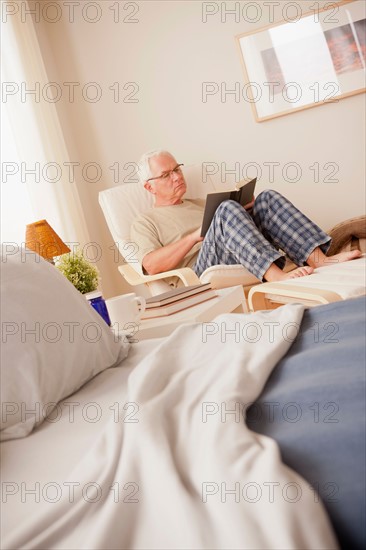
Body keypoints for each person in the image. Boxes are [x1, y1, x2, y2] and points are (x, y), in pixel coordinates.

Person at [130, 150, 361, 284]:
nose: (176, 177)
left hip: (238, 251)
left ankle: (320, 259)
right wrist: (193, 237)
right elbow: (150, 266)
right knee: (225, 210)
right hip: (200, 273)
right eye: (166, 174)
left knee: (266, 199)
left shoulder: (200, 204)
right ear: (149, 187)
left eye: (177, 169)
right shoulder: (145, 222)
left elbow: (234, 230)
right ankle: (276, 277)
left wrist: (247, 209)